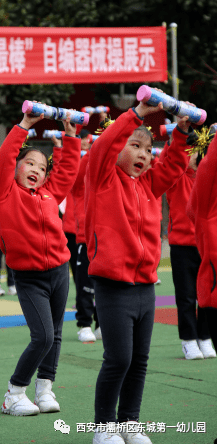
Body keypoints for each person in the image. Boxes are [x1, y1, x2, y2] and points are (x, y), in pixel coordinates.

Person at [84, 96, 192, 444]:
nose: (144, 154)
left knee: (139, 361)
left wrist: (181, 134)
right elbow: (103, 146)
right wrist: (136, 115)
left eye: (149, 149)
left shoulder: (148, 185)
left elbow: (173, 164)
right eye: (135, 146)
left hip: (146, 285)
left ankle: (130, 423)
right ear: (118, 147)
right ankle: (104, 427)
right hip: (113, 286)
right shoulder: (102, 178)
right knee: (118, 358)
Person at [0, 105, 80, 416]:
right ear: (15, 167)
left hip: (59, 271)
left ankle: (45, 390)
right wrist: (24, 124)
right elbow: (2, 161)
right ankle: (14, 393)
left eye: (42, 167)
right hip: (28, 277)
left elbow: (67, 171)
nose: (37, 170)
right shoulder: (3, 192)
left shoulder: (48, 193)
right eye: (29, 163)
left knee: (54, 335)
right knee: (41, 336)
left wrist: (71, 136)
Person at [160, 139, 215, 359]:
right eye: (191, 152)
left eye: (198, 152)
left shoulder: (208, 180)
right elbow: (168, 161)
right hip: (181, 246)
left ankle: (205, 337)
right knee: (186, 296)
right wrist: (177, 140)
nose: (195, 156)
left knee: (208, 295)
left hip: (205, 245)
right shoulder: (178, 178)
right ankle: (189, 339)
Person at [187, 125, 217, 352]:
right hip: (214, 296)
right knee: (185, 298)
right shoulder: (208, 211)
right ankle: (191, 339)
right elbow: (208, 167)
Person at [71, 129, 100, 342]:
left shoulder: (108, 178)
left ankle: (102, 324)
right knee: (84, 284)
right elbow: (80, 172)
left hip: (107, 238)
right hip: (83, 237)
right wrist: (91, 147)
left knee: (105, 284)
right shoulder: (81, 177)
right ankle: (84, 324)